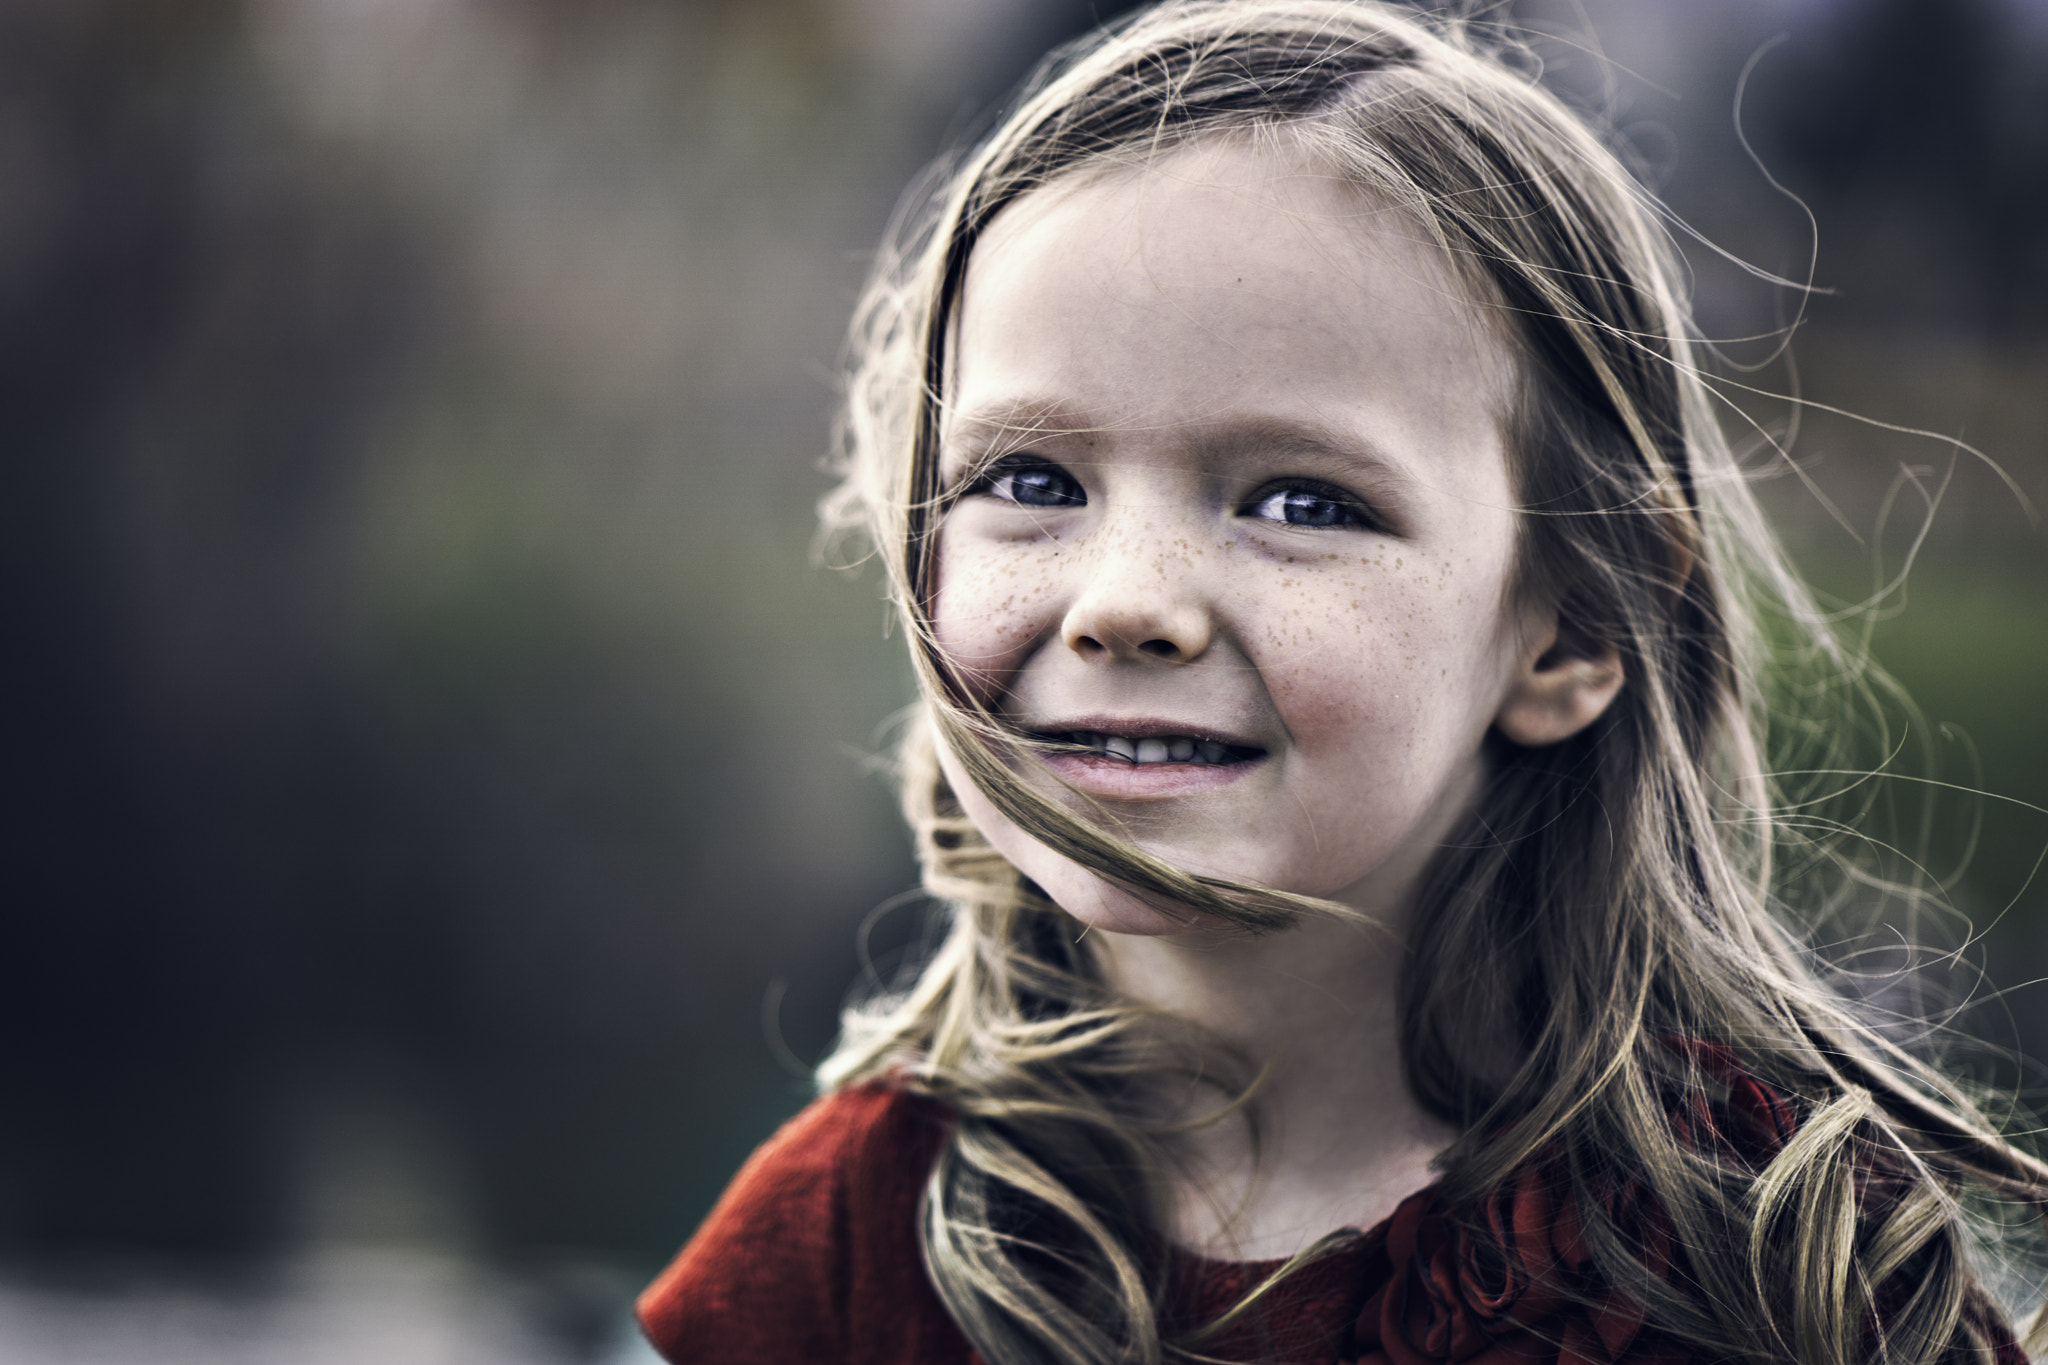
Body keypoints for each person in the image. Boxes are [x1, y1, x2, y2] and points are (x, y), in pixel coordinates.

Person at [639, 3, 2048, 1362]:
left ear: (1570, 633)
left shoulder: (1781, 1276)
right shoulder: (838, 1251)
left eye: (1302, 503)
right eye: (1030, 480)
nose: (1127, 598)